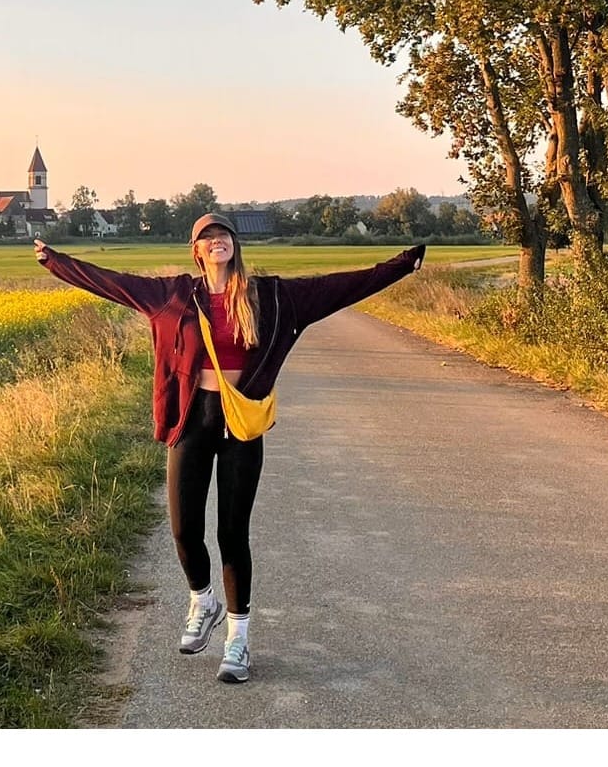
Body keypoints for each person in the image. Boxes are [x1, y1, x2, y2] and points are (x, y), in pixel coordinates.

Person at [34, 214, 423, 684]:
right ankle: (203, 599)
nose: (217, 242)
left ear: (234, 246)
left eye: (224, 236)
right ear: (195, 250)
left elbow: (339, 287)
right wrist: (55, 262)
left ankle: (237, 640)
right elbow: (113, 283)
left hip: (241, 420)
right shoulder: (174, 295)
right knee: (183, 530)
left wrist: (401, 265)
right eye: (207, 237)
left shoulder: (271, 296)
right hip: (192, 418)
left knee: (232, 534)